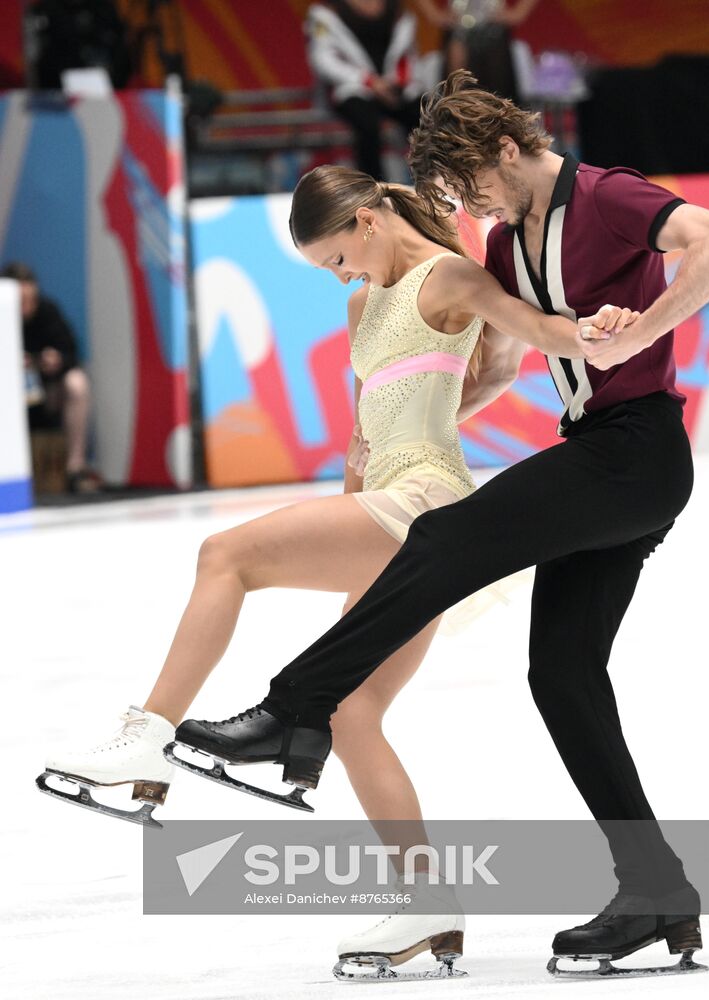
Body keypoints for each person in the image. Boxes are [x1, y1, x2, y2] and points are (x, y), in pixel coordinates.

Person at [36, 165, 635, 977]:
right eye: (328, 271)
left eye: (338, 258)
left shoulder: (448, 274)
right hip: (379, 500)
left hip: (423, 505)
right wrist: (356, 479)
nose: (342, 277)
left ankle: (146, 740)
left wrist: (597, 330)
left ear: (367, 218)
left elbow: (532, 337)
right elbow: (376, 421)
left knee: (225, 554)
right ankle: (427, 903)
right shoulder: (364, 304)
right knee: (352, 715)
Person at [179, 72, 709, 977]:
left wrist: (640, 329)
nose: (470, 206)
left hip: (634, 451)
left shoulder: (605, 195)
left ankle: (293, 708)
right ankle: (654, 888)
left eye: (474, 187)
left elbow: (702, 241)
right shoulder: (506, 242)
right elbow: (504, 363)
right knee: (562, 676)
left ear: (507, 149)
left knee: (440, 539)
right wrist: (409, 420)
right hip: (601, 451)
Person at [1, 262, 102, 493]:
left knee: (77, 383)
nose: (25, 306)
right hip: (8, 394)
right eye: (19, 301)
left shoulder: (47, 311)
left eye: (29, 299)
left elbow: (70, 351)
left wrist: (55, 360)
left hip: (45, 392)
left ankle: (75, 468)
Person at [306, 0, 426, 179]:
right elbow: (323, 60)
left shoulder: (398, 12)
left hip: (394, 88)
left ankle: (433, 180)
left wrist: (395, 82)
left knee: (427, 113)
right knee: (367, 125)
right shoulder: (324, 13)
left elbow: (407, 54)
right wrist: (369, 82)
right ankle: (373, 187)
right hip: (351, 89)